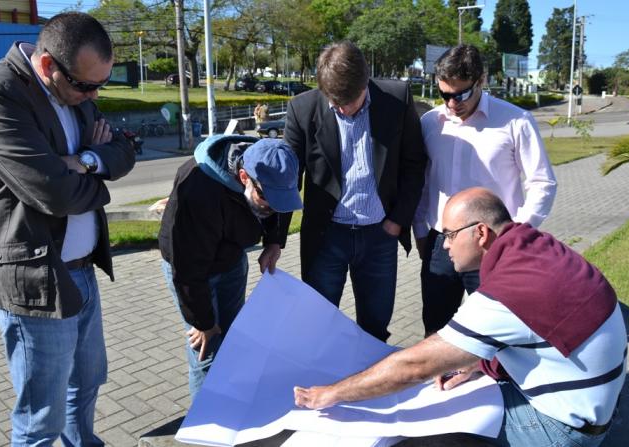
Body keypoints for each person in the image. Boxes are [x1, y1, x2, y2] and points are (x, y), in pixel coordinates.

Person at [295, 187, 626, 447]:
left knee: (419, 435)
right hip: (590, 407)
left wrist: (330, 393)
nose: (444, 246)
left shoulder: (509, 292)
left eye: (450, 235)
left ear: (480, 233)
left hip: (562, 432)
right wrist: (477, 364)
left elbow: (415, 366)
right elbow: (530, 333)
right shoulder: (534, 248)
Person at [0, 12, 135, 446]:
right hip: (34, 277)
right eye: (85, 85)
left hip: (80, 270)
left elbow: (123, 151)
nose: (94, 94)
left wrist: (87, 161)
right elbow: (52, 194)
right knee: (42, 416)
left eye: (102, 84)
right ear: (46, 66)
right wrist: (95, 179)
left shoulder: (76, 91)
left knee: (88, 381)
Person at [283, 41, 427, 342]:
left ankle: (371, 386)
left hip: (379, 236)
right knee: (318, 326)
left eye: (351, 102)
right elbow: (286, 180)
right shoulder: (302, 108)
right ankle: (323, 387)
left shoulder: (397, 99)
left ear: (367, 82)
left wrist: (397, 220)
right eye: (335, 103)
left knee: (375, 329)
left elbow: (414, 165)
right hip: (326, 238)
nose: (343, 109)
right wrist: (274, 239)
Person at [413, 45, 557, 334]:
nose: (452, 103)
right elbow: (424, 181)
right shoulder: (431, 123)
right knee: (436, 327)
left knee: (497, 331)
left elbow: (542, 182)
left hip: (494, 245)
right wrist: (420, 232)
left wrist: (515, 233)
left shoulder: (515, 121)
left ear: (481, 81)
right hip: (442, 242)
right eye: (444, 94)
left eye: (461, 94)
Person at [158, 136, 302, 399]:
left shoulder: (278, 167)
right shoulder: (198, 187)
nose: (271, 206)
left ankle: (233, 403)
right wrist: (203, 322)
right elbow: (187, 269)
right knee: (207, 352)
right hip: (192, 271)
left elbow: (280, 206)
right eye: (265, 197)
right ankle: (209, 428)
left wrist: (273, 241)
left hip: (232, 259)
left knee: (233, 341)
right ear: (244, 176)